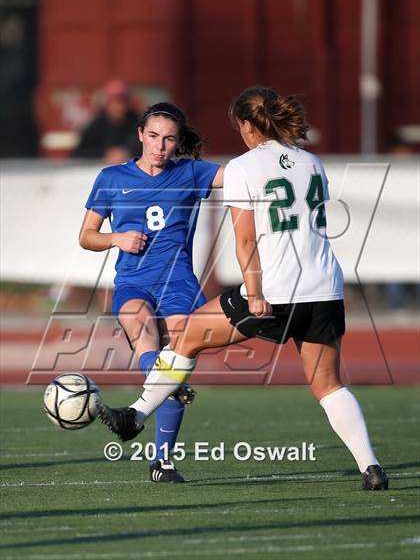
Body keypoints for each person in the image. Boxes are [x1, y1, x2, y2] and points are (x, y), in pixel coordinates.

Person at [99, 86, 389, 491]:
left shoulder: (243, 166)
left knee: (188, 338)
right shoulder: (312, 162)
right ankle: (371, 468)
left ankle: (135, 416)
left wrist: (253, 291)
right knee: (327, 384)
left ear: (249, 126)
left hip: (274, 286)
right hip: (324, 287)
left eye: (240, 126)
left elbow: (246, 240)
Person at [79, 101, 223, 482]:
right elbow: (86, 237)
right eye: (154, 136)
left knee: (176, 352)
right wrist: (116, 238)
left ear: (178, 143)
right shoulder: (111, 178)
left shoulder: (193, 172)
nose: (160, 145)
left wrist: (275, 153)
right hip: (132, 283)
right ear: (141, 134)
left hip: (179, 285)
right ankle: (172, 389)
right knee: (150, 346)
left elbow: (242, 177)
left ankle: (162, 461)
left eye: (169, 139)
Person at [73, 79, 140, 164]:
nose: (120, 106)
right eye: (115, 100)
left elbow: (152, 149)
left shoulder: (139, 123)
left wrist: (128, 154)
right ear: (107, 101)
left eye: (123, 100)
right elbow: (78, 153)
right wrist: (105, 154)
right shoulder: (96, 124)